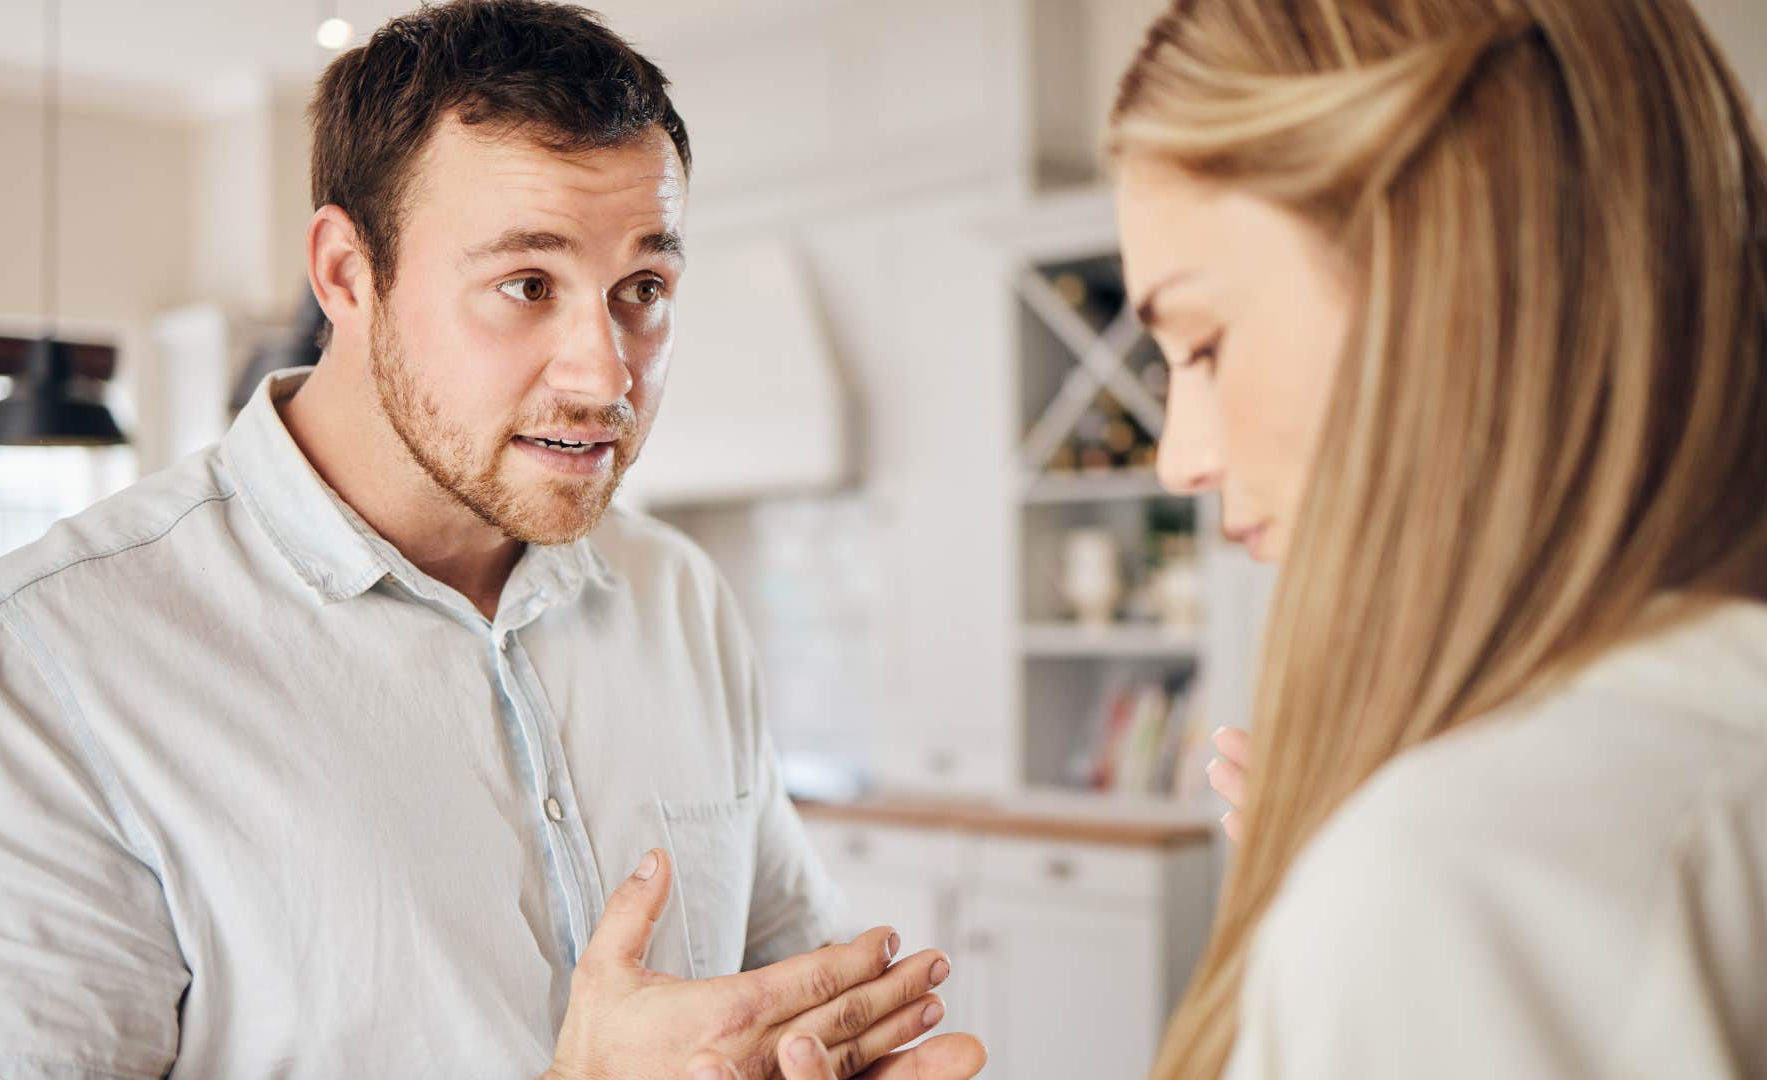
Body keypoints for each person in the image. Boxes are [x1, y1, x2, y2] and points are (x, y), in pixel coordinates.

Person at [0, 3, 986, 1078]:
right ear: (348, 273)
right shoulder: (24, 675)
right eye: (527, 284)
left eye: (643, 285)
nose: (605, 375)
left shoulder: (677, 595)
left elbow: (783, 996)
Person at [753, 0, 1767, 1077]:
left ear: (1436, 280)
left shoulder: (1455, 876)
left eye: (1204, 344)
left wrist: (1371, 894)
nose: (1182, 458)